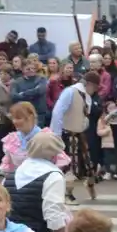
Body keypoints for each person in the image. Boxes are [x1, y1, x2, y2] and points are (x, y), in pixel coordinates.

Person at [48, 70, 100, 201]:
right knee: (70, 165)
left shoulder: (86, 97)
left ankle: (90, 183)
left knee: (89, 163)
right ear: (89, 84)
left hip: (80, 133)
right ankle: (67, 193)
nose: (95, 90)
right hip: (67, 133)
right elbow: (58, 112)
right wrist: (56, 134)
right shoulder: (70, 92)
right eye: (95, 87)